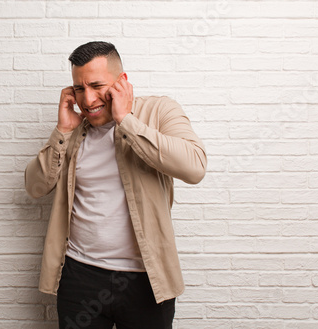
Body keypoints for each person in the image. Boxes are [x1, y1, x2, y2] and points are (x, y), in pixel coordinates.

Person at [25, 41, 207, 329]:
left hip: (146, 280)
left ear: (122, 81)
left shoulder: (159, 111)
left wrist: (126, 120)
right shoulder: (74, 130)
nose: (87, 99)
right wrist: (61, 132)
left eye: (97, 86)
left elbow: (195, 167)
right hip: (79, 277)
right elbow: (35, 186)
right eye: (79, 88)